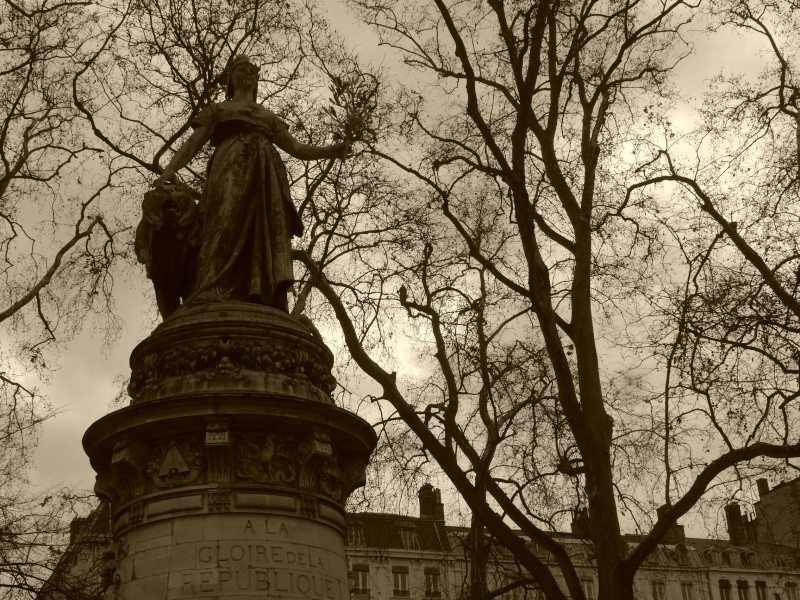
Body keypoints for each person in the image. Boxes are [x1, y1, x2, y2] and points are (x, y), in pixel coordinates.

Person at [152, 55, 348, 311]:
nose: (248, 74)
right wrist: (169, 171)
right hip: (230, 163)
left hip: (266, 173)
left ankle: (261, 291)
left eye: (252, 72)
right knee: (222, 221)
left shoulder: (267, 116)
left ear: (257, 81)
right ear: (231, 79)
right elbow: (193, 143)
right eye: (242, 70)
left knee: (268, 228)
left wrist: (332, 150)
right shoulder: (219, 109)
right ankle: (209, 287)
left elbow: (296, 148)